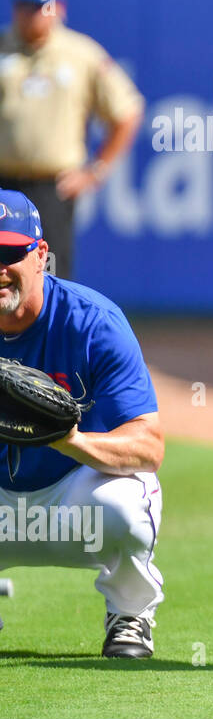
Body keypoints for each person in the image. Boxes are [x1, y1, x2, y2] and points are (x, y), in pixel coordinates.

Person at [0, 190, 164, 658]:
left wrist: (68, 440)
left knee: (125, 500)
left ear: (41, 256)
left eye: (12, 253)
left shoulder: (93, 323)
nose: (0, 267)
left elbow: (149, 446)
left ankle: (130, 611)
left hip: (70, 506)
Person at [0, 0, 145, 281]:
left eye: (39, 5)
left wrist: (96, 170)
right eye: (23, 5)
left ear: (58, 7)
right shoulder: (3, 47)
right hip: (3, 183)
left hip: (51, 188)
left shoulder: (80, 54)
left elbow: (127, 110)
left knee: (47, 278)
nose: (30, 13)